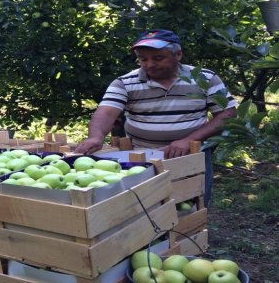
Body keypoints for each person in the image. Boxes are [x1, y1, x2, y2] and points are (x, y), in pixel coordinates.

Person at [75, 29, 237, 207]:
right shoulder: (125, 82)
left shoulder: (204, 78)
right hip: (141, 157)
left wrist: (188, 140)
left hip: (190, 155)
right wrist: (96, 137)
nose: (149, 64)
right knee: (146, 208)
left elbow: (227, 115)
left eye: (158, 58)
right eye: (142, 59)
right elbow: (106, 111)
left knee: (191, 206)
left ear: (178, 55)